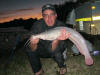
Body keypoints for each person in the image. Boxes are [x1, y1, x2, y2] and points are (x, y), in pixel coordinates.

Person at [26, 4, 70, 75]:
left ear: (56, 15)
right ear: (42, 16)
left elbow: (53, 48)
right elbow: (32, 49)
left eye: (51, 14)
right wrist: (33, 43)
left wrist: (56, 40)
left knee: (56, 49)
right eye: (46, 15)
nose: (49, 18)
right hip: (44, 49)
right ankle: (38, 72)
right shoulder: (37, 25)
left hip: (57, 48)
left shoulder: (61, 25)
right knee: (29, 48)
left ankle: (62, 66)